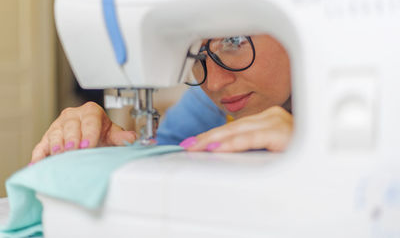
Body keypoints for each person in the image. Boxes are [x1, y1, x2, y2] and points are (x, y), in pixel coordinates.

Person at [30, 34, 293, 164]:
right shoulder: (205, 107)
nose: (213, 83)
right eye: (193, 55)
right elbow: (159, 161)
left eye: (233, 41)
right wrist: (106, 155)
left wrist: (326, 157)